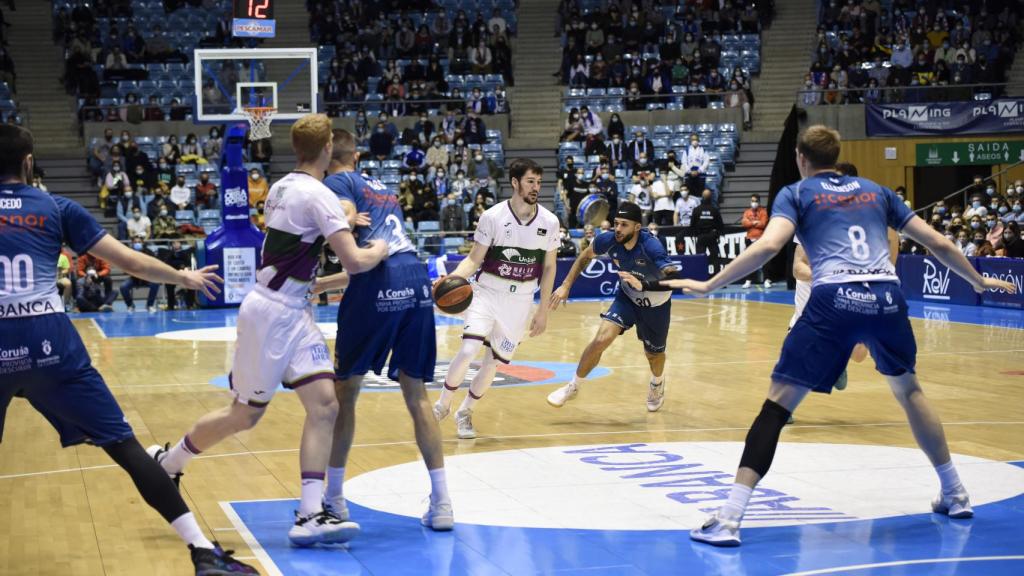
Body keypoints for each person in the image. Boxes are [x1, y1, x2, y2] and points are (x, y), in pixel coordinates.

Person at [663, 125, 1015, 547]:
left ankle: (730, 517)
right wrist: (977, 280)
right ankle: (955, 493)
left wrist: (708, 284)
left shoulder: (795, 193)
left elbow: (768, 246)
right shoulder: (877, 190)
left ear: (800, 157)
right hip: (886, 298)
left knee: (776, 407)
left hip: (834, 300)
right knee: (910, 391)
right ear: (837, 154)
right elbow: (938, 241)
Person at [0, 124, 258, 575]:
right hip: (52, 346)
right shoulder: (57, 208)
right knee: (126, 448)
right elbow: (131, 262)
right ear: (28, 163)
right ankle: (201, 551)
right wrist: (184, 277)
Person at [149, 115, 387, 547]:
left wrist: (344, 220)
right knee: (245, 415)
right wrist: (379, 249)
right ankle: (168, 462)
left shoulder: (281, 186)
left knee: (325, 406)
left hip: (293, 310)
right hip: (274, 313)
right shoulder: (316, 195)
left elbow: (305, 227)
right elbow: (352, 262)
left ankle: (311, 514)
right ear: (328, 147)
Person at [318, 128, 455, 532]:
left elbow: (346, 223)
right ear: (357, 154)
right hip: (413, 277)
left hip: (377, 284)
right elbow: (382, 253)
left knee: (347, 391)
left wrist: (338, 220)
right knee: (418, 397)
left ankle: (334, 499)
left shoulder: (336, 181)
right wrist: (326, 284)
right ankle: (443, 503)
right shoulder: (383, 189)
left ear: (330, 157)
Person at [433, 159, 560, 439]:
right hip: (487, 292)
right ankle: (442, 404)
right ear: (514, 183)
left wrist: (543, 311)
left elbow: (550, 267)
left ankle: (465, 412)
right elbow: (474, 258)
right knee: (468, 351)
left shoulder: (550, 222)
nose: (535, 187)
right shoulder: (493, 216)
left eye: (538, 182)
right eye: (530, 181)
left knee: (493, 363)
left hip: (521, 300)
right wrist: (450, 279)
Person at [546, 202, 681, 412]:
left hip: (657, 304)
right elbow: (584, 256)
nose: (618, 229)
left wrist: (644, 284)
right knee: (601, 339)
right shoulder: (608, 239)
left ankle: (657, 382)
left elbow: (675, 278)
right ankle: (573, 386)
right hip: (627, 297)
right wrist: (566, 285)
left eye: (624, 225)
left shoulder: (652, 246)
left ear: (637, 227)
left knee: (653, 355)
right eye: (616, 223)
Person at [740, 194, 769, 288]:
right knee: (749, 261)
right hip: (749, 238)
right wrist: (754, 222)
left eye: (755, 201)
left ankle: (767, 280)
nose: (754, 203)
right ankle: (748, 281)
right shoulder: (747, 212)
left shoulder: (763, 211)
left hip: (760, 238)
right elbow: (744, 223)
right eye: (752, 201)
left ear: (759, 202)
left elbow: (763, 223)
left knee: (764, 260)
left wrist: (751, 223)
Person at [692, 189, 723, 274]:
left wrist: (696, 234)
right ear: (710, 197)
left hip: (701, 236)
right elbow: (720, 225)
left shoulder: (696, 210)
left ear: (702, 197)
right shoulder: (714, 210)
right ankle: (717, 279)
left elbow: (692, 225)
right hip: (712, 236)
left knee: (699, 258)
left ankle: (700, 277)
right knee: (715, 258)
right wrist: (717, 234)